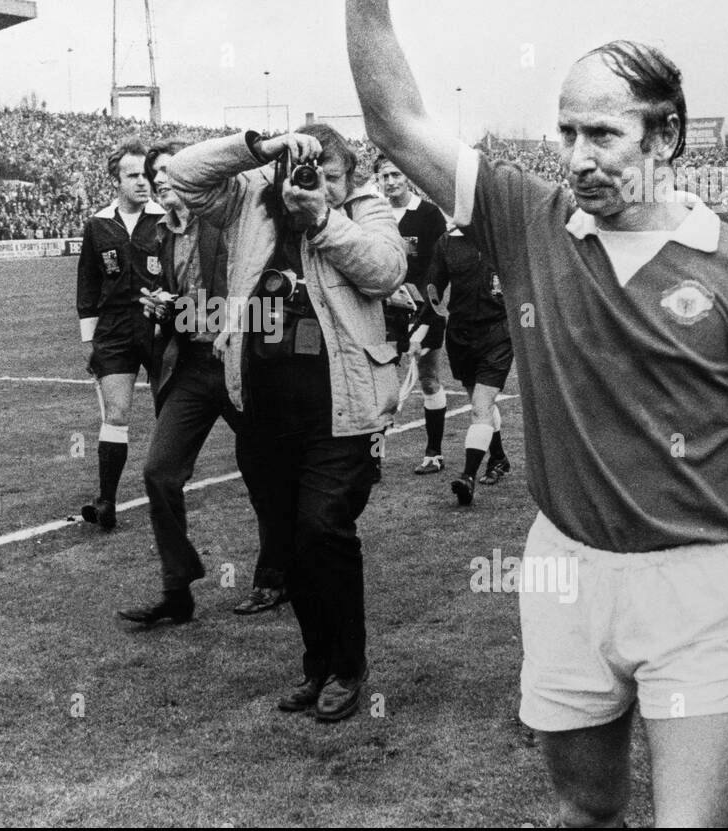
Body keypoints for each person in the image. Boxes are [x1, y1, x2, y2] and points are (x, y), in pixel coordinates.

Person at [344, 0, 728, 824]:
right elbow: (395, 118)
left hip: (701, 580)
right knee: (585, 814)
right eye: (565, 130)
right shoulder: (527, 219)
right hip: (563, 566)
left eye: (603, 134)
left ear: (664, 138)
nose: (576, 155)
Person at [167, 125, 405, 722]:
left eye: (329, 177)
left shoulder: (366, 209)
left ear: (348, 180)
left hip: (341, 410)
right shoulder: (252, 197)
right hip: (265, 409)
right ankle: (317, 665)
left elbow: (385, 270)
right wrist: (259, 150)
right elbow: (181, 177)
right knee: (289, 545)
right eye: (304, 172)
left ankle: (349, 667)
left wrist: (323, 218)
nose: (312, 184)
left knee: (323, 528)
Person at [116, 142, 284, 626]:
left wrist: (185, 309)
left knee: (263, 474)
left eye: (171, 172)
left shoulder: (226, 220)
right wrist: (162, 310)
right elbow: (179, 305)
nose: (164, 181)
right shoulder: (159, 236)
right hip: (191, 366)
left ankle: (274, 577)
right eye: (157, 175)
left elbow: (253, 301)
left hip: (239, 363)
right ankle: (177, 588)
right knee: (159, 471)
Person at [75, 138, 166, 529]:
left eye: (147, 174)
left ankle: (168, 490)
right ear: (116, 179)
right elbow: (87, 287)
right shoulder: (98, 225)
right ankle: (107, 502)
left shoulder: (165, 219)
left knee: (170, 412)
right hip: (113, 331)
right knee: (116, 413)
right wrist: (89, 342)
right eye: (133, 175)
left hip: (160, 325)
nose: (143, 182)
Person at [424, 215, 513, 504]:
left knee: (481, 406)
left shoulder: (504, 239)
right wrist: (424, 325)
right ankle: (498, 458)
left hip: (497, 333)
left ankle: (468, 476)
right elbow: (433, 289)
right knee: (479, 402)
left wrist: (528, 327)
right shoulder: (447, 242)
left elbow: (529, 286)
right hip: (461, 334)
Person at [376, 154, 450, 475]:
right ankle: (373, 458)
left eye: (396, 175)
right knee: (383, 389)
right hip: (384, 313)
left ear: (406, 176)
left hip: (424, 311)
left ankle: (433, 453)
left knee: (430, 379)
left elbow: (440, 271)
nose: (391, 182)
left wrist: (430, 316)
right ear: (377, 180)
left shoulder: (429, 215)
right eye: (384, 177)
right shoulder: (374, 214)